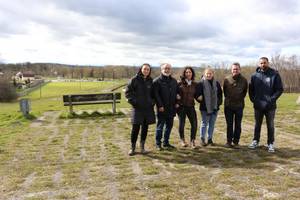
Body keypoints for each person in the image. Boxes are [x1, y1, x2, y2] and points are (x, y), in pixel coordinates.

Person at [248, 57, 283, 152]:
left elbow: (279, 89)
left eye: (265, 63)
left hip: (270, 106)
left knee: (270, 125)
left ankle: (270, 143)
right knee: (257, 124)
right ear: (259, 64)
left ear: (268, 63)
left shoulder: (274, 74)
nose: (263, 64)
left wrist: (272, 99)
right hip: (258, 105)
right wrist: (253, 100)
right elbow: (250, 90)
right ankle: (255, 141)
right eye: (261, 63)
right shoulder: (254, 75)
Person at [125, 63, 156, 156]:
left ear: (149, 71)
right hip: (137, 108)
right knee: (135, 128)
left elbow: (153, 94)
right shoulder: (134, 80)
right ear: (141, 69)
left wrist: (152, 102)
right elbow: (127, 93)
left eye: (148, 69)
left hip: (148, 109)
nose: (146, 71)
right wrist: (134, 102)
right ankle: (132, 148)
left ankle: (142, 147)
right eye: (144, 69)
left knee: (145, 128)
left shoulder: (151, 80)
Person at [153, 63, 178, 150]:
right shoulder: (157, 81)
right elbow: (156, 95)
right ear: (161, 69)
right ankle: (158, 143)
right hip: (162, 108)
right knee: (160, 126)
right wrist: (160, 105)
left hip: (171, 108)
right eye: (165, 68)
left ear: (170, 70)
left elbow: (177, 93)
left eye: (168, 68)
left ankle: (166, 142)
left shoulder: (174, 81)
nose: (167, 70)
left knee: (169, 126)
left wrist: (177, 102)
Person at [223, 62, 248, 148]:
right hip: (228, 106)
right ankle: (229, 142)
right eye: (234, 69)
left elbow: (245, 92)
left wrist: (239, 98)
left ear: (239, 70)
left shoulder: (244, 80)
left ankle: (236, 142)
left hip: (239, 106)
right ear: (231, 70)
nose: (235, 70)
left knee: (238, 125)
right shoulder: (226, 79)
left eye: (237, 69)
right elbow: (225, 92)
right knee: (229, 125)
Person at [196, 68, 222, 146]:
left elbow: (220, 94)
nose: (208, 75)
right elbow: (197, 95)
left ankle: (210, 139)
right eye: (207, 73)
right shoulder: (201, 83)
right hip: (205, 108)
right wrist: (201, 101)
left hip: (215, 107)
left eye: (210, 73)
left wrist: (218, 103)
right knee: (204, 123)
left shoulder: (216, 83)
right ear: (204, 74)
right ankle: (202, 139)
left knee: (212, 124)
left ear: (213, 74)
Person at [177, 66, 198, 149]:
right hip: (181, 107)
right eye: (186, 72)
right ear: (184, 73)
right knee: (182, 124)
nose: (188, 73)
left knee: (194, 124)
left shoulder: (195, 84)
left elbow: (197, 95)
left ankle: (192, 141)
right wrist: (177, 102)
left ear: (192, 73)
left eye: (190, 72)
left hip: (191, 106)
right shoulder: (179, 83)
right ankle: (182, 140)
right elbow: (176, 94)